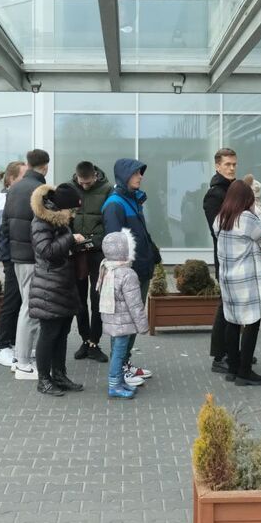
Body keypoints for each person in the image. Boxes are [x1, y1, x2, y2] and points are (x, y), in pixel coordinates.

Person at [102, 158, 160, 386]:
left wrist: (153, 254)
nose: (141, 176)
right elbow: (114, 243)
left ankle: (125, 364)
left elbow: (140, 234)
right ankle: (120, 370)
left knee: (132, 322)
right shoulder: (115, 204)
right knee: (123, 324)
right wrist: (124, 274)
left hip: (140, 270)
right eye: (136, 173)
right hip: (128, 275)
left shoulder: (133, 200)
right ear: (125, 176)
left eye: (140, 173)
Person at [29, 183, 86, 396]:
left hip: (62, 284)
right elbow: (46, 250)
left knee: (62, 332)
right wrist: (71, 238)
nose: (72, 215)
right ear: (61, 207)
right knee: (49, 333)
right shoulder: (41, 221)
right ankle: (43, 380)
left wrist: (76, 243)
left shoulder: (59, 221)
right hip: (49, 286)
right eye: (71, 210)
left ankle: (59, 375)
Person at [214, 179, 261, 387]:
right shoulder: (246, 218)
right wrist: (259, 211)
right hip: (246, 279)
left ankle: (233, 368)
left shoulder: (220, 218)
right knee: (252, 322)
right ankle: (245, 371)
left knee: (232, 321)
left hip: (228, 278)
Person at [7, 149, 50, 379]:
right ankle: (23, 362)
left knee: (27, 305)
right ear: (46, 166)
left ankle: (20, 356)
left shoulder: (13, 188)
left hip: (17, 256)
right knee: (31, 308)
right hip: (34, 257)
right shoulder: (40, 190)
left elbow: (5, 224)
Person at [66, 161, 109, 363]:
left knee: (97, 299)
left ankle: (94, 341)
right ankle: (85, 340)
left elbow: (109, 223)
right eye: (81, 182)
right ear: (77, 177)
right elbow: (63, 220)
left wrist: (92, 241)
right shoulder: (69, 189)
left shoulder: (108, 189)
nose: (85, 186)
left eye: (88, 182)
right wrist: (72, 237)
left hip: (98, 252)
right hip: (76, 252)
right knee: (79, 299)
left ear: (95, 176)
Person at [98, 229, 147, 400]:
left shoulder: (106, 268)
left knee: (116, 353)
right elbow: (135, 304)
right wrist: (143, 325)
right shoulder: (128, 274)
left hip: (111, 320)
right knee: (119, 354)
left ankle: (119, 381)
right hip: (123, 323)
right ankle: (115, 386)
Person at [203, 147, 238, 374]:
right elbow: (220, 229)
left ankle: (232, 351)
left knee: (235, 307)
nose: (232, 168)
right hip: (226, 258)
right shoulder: (215, 194)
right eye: (227, 164)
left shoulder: (234, 189)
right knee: (225, 306)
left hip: (239, 257)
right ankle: (219, 357)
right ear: (217, 166)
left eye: (234, 164)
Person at [0, 160, 26, 368]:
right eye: (23, 177)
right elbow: (4, 233)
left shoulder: (12, 196)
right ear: (12, 179)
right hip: (11, 257)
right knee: (12, 300)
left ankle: (13, 342)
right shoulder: (3, 200)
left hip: (16, 255)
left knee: (19, 300)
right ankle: (3, 346)